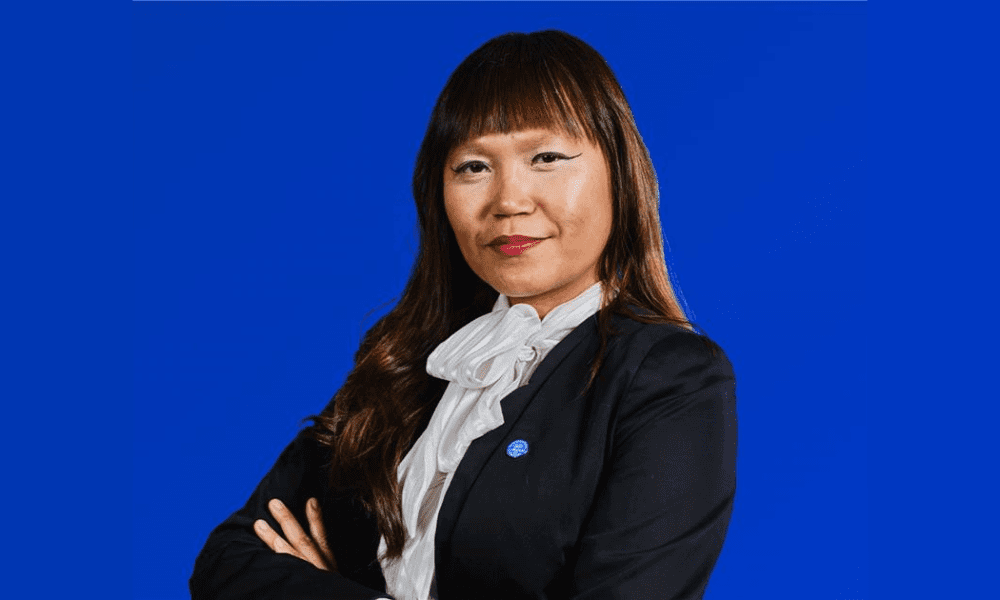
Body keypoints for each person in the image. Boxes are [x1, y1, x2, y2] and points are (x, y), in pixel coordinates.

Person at [190, 29, 737, 600]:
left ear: (619, 176)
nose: (508, 200)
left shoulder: (669, 377)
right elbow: (228, 560)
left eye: (546, 157)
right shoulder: (406, 359)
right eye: (473, 167)